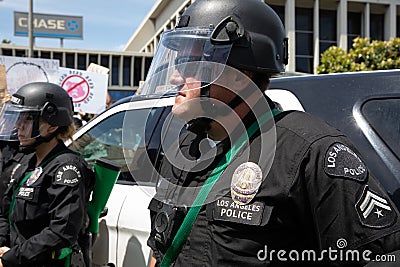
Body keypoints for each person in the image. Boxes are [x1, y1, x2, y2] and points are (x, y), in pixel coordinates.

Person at [144, 0, 400, 266]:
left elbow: (379, 256)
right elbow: (160, 247)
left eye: (190, 63)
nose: (174, 77)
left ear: (236, 75)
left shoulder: (309, 151)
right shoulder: (184, 146)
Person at [0, 82, 95, 267]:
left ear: (51, 126)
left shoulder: (67, 168)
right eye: (19, 118)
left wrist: (12, 257)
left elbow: (62, 231)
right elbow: (5, 211)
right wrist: (3, 245)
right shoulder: (26, 162)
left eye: (27, 119)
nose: (19, 126)